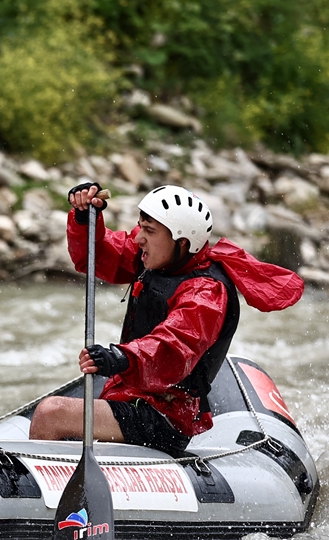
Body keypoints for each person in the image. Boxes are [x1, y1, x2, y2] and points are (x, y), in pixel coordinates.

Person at [30, 183, 304, 452]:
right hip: (134, 394)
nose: (138, 238)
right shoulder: (158, 256)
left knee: (50, 413)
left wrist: (121, 358)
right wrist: (84, 217)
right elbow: (97, 255)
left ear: (182, 243)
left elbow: (172, 348)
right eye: (141, 227)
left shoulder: (205, 293)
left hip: (166, 416)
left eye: (149, 231)